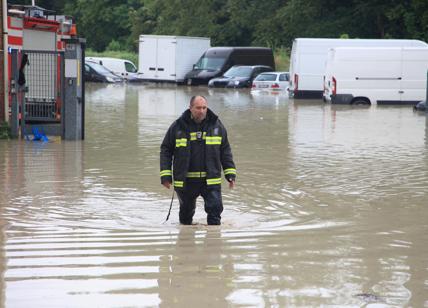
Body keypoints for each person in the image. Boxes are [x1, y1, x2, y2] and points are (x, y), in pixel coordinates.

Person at [160, 95, 236, 225]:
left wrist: (230, 174)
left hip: (211, 180)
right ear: (190, 108)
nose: (201, 111)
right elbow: (166, 150)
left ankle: (213, 242)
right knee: (185, 215)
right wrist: (166, 176)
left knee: (215, 212)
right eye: (198, 108)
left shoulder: (217, 126)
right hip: (186, 181)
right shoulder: (178, 127)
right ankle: (185, 241)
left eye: (204, 108)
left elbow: (225, 151)